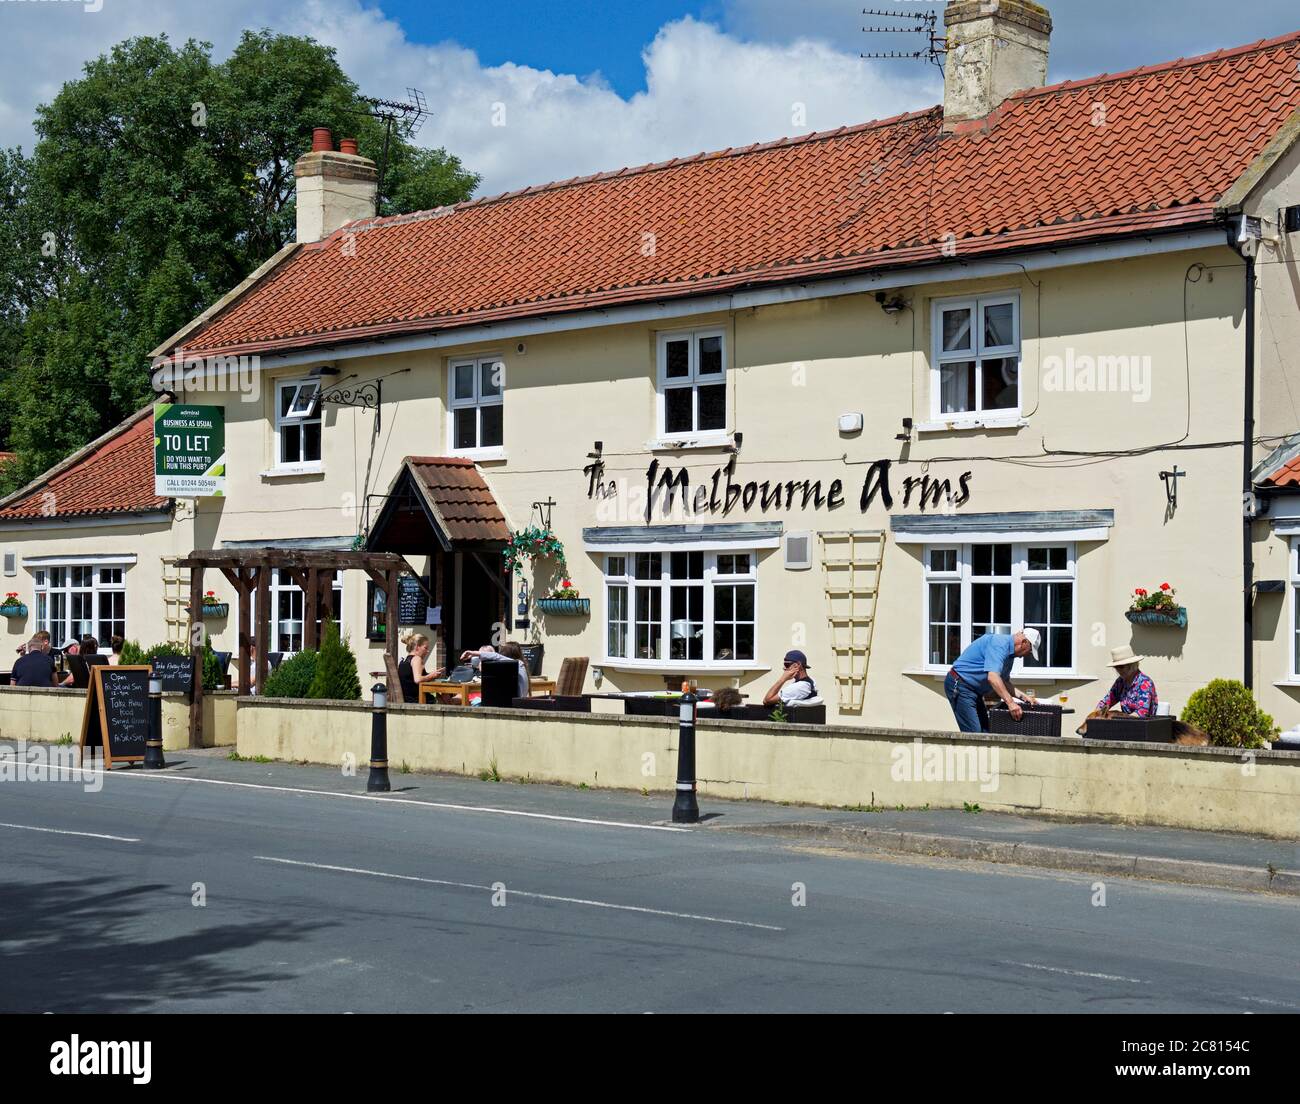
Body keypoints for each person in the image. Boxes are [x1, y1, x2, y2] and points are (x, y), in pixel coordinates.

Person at [944, 628, 1041, 733]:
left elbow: (1003, 682)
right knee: (974, 735)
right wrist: (1011, 703)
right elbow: (993, 677)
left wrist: (1024, 697)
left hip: (974, 691)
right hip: (960, 685)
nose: (1026, 655)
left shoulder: (1010, 656)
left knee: (985, 732)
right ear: (1024, 642)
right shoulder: (999, 644)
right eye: (1030, 651)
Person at [1095, 645, 1158, 718]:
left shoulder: (1145, 683)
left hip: (1144, 725)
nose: (1118, 670)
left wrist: (1120, 720)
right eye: (1116, 667)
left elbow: (1141, 713)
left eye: (1121, 667)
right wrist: (1094, 716)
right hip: (1126, 723)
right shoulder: (1120, 682)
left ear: (1131, 665)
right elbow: (1106, 702)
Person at [399, 631, 444, 703]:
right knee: (444, 698)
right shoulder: (417, 659)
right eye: (425, 648)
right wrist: (431, 676)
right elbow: (418, 680)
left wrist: (433, 674)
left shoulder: (405, 660)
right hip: (418, 699)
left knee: (443, 697)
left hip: (408, 699)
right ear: (417, 647)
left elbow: (411, 679)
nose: (428, 651)